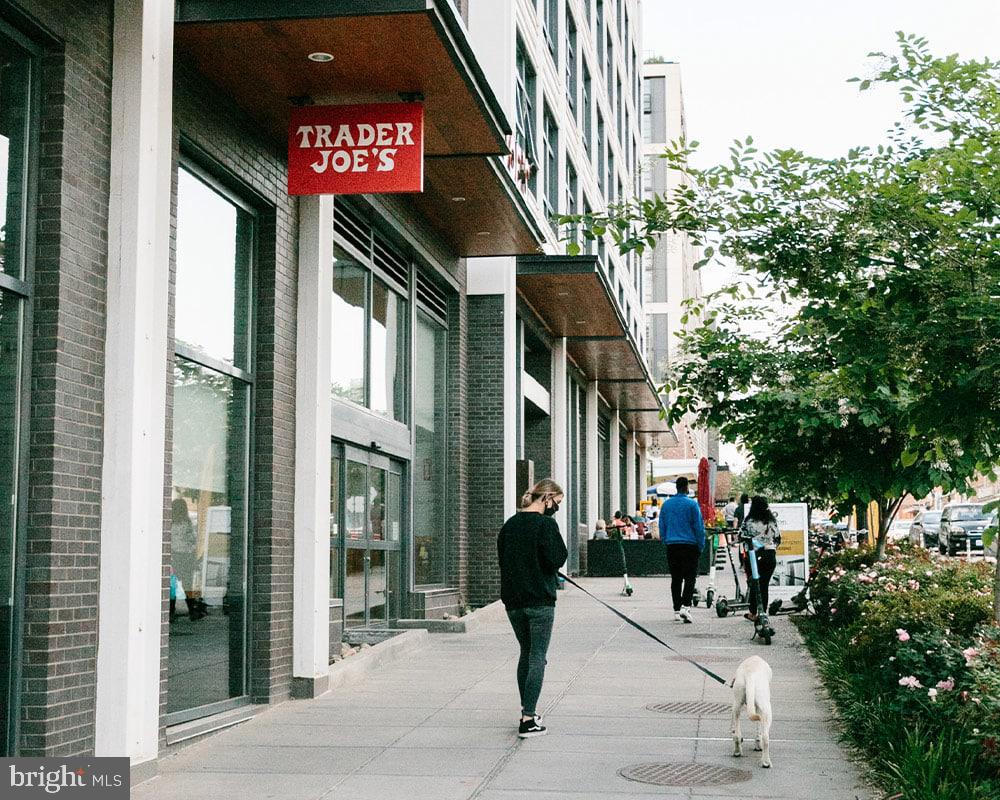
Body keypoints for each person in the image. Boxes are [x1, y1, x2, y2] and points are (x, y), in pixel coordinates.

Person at [497, 478, 568, 739]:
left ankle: (527, 710)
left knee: (526, 653)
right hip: (540, 600)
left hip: (514, 601)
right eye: (556, 503)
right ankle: (528, 719)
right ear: (547, 498)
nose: (556, 508)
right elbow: (557, 558)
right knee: (538, 656)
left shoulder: (509, 525)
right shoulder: (546, 524)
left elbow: (504, 561)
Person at [658, 476, 705, 623]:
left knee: (676, 578)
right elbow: (699, 527)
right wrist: (701, 545)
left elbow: (662, 526)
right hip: (690, 545)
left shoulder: (666, 505)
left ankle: (677, 609)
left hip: (672, 545)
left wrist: (665, 540)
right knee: (690, 577)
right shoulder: (692, 505)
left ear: (676, 487)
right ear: (686, 488)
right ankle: (686, 606)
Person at [740, 496, 780, 620]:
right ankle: (763, 613)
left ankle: (753, 613)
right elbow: (778, 539)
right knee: (764, 585)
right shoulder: (771, 521)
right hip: (769, 555)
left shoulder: (749, 521)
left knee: (754, 583)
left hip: (753, 556)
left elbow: (741, 536)